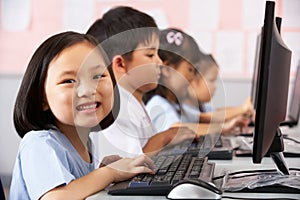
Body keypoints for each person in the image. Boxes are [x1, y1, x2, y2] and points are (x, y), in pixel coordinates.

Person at [9, 31, 155, 200]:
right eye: (69, 81)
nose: (88, 90)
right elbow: (55, 198)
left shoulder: (85, 143)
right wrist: (109, 173)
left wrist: (100, 171)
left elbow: (77, 190)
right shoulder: (39, 143)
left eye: (98, 76)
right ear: (42, 99)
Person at [86, 6, 196, 161]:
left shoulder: (131, 100)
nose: (159, 62)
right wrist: (162, 139)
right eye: (150, 54)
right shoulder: (114, 107)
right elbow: (127, 165)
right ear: (120, 64)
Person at [144, 28, 250, 135]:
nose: (192, 77)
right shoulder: (157, 103)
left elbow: (204, 118)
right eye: (190, 70)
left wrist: (226, 127)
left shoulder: (176, 105)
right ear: (167, 69)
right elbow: (175, 130)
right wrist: (220, 128)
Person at [183, 53, 255, 125]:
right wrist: (242, 109)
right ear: (192, 81)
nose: (215, 86)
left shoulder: (199, 106)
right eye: (211, 80)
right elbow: (208, 117)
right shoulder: (183, 108)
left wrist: (243, 112)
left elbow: (217, 112)